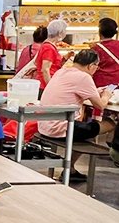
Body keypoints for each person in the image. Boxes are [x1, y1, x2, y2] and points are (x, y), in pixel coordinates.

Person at [38, 49, 115, 182]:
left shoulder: (62, 71)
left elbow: (74, 91)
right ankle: (115, 157)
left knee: (86, 128)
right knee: (111, 123)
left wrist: (95, 92)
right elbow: (101, 105)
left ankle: (71, 168)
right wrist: (107, 94)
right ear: (91, 66)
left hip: (44, 125)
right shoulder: (84, 77)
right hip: (61, 129)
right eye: (96, 67)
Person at [34, 19, 69, 91]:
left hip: (44, 84)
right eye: (65, 30)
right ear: (60, 33)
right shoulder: (49, 48)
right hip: (44, 86)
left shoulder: (48, 45)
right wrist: (51, 88)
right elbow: (45, 70)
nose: (66, 32)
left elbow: (54, 66)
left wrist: (65, 58)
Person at [91, 18, 119, 87]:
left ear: (100, 32)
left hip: (101, 84)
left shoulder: (95, 48)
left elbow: (90, 67)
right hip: (117, 83)